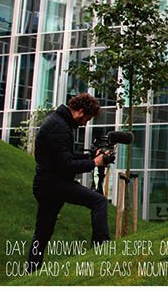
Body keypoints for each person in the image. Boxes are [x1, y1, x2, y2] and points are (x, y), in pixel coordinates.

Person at [25, 93, 110, 273]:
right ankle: (102, 249)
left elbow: (64, 156)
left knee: (43, 232)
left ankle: (30, 271)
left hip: (46, 184)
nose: (85, 123)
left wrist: (90, 156)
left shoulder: (58, 122)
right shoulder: (59, 127)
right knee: (99, 201)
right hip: (54, 184)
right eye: (87, 118)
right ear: (80, 112)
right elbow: (66, 165)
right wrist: (94, 163)